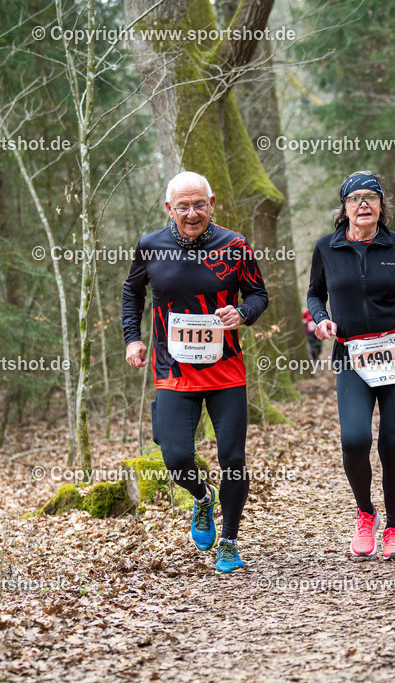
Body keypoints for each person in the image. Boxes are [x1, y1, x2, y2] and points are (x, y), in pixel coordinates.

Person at [122, 171, 268, 574]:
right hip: (173, 369)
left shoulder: (235, 245)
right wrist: (133, 338)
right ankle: (203, 497)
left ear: (212, 204)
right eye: (183, 206)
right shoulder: (151, 246)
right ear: (169, 208)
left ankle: (230, 541)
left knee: (232, 458)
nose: (192, 213)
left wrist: (242, 312)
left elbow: (258, 294)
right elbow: (132, 292)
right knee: (176, 457)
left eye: (199, 204)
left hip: (225, 370)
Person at [307, 170, 395, 560]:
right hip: (351, 355)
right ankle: (366, 513)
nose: (363, 204)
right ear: (344, 208)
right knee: (354, 439)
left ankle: (394, 528)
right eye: (355, 199)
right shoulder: (326, 248)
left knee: (392, 442)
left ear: (381, 206)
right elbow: (314, 295)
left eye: (371, 197)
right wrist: (321, 319)